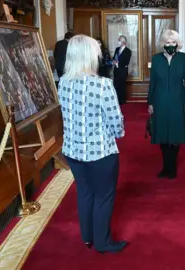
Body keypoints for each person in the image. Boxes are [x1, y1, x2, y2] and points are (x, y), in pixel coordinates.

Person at [57, 34, 127, 254]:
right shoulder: (103, 85)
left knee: (85, 192)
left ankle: (87, 237)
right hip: (101, 153)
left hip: (73, 151)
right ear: (89, 56)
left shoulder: (63, 83)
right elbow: (116, 122)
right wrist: (119, 132)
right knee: (104, 196)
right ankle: (103, 243)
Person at [147, 30, 185, 179]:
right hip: (159, 101)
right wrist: (150, 102)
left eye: (173, 42)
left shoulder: (183, 58)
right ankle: (165, 167)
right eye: (167, 42)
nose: (170, 45)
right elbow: (152, 82)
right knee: (162, 134)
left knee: (175, 134)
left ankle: (172, 168)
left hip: (178, 100)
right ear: (163, 44)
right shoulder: (156, 59)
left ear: (178, 44)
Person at [112, 35, 132, 105]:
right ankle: (116, 100)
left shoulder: (128, 51)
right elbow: (114, 57)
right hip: (116, 70)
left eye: (119, 40)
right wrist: (113, 61)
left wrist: (118, 62)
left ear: (123, 42)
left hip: (123, 71)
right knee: (116, 85)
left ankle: (122, 101)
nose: (118, 42)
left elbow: (126, 62)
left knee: (122, 86)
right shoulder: (117, 49)